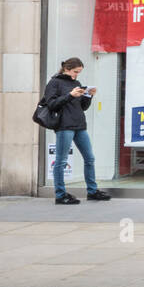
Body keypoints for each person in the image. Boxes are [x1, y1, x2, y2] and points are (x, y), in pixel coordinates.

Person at [42, 57, 111, 206]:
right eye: (75, 72)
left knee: (90, 158)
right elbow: (52, 104)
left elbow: (82, 107)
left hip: (79, 125)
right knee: (61, 161)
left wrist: (89, 95)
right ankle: (60, 195)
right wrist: (70, 95)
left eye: (79, 73)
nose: (76, 75)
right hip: (64, 126)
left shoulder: (76, 83)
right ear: (66, 69)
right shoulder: (54, 83)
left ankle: (92, 191)